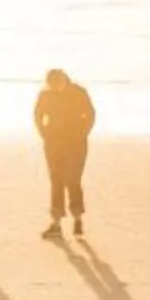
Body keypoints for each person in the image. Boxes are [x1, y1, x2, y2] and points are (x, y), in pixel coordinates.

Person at [33, 68, 96, 238]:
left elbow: (90, 114)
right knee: (56, 181)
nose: (55, 89)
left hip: (76, 144)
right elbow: (38, 115)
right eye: (52, 86)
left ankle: (77, 219)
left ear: (64, 80)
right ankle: (56, 223)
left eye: (57, 85)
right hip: (53, 143)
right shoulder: (45, 94)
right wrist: (44, 134)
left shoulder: (79, 92)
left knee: (73, 180)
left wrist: (81, 134)